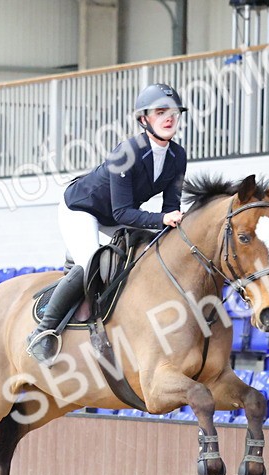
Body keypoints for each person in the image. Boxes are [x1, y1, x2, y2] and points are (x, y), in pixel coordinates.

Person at [26, 83, 189, 364]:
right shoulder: (126, 151)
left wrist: (172, 224)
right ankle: (42, 332)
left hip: (116, 216)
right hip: (82, 209)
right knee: (90, 263)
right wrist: (162, 219)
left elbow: (170, 208)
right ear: (144, 120)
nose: (169, 118)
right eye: (161, 112)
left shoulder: (178, 156)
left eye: (174, 112)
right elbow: (124, 212)